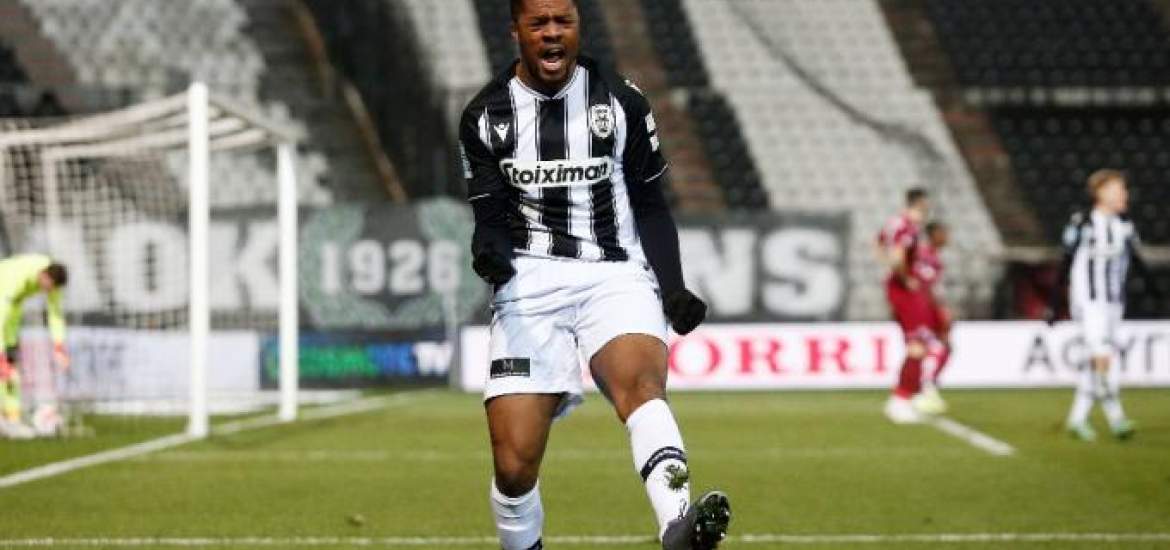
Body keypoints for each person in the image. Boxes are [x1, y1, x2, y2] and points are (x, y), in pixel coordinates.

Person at [459, 0, 731, 548]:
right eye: (539, 23)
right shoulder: (484, 116)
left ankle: (678, 523)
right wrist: (489, 252)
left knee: (642, 386)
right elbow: (489, 217)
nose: (552, 33)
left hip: (614, 275)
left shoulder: (621, 100)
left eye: (564, 21)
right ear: (516, 31)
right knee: (514, 467)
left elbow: (650, 204)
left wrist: (673, 287)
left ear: (578, 26)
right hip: (529, 285)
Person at [1054, 169, 1146, 442]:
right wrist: (1055, 301)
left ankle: (1077, 419)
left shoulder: (1125, 227)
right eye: (1118, 189)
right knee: (1103, 355)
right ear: (1100, 193)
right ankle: (1116, 417)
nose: (1124, 194)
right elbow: (1066, 261)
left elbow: (1136, 262)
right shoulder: (1083, 223)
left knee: (1096, 361)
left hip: (1114, 303)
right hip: (1089, 301)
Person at [878, 188, 936, 423]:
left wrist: (889, 270)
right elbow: (898, 255)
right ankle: (900, 402)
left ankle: (904, 399)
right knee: (917, 346)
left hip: (897, 288)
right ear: (918, 204)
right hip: (904, 290)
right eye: (924, 207)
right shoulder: (906, 227)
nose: (926, 212)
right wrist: (905, 279)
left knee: (918, 344)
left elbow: (878, 243)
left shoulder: (894, 223)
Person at [0, 254, 70, 427]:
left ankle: (12, 420)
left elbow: (55, 314)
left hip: (12, 314)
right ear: (43, 276)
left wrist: (59, 346)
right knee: (4, 367)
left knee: (11, 369)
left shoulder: (52, 280)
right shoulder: (15, 277)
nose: (48, 292)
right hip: (3, 309)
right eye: (48, 287)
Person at [911, 221, 953, 415]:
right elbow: (925, 287)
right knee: (936, 347)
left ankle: (927, 388)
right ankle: (925, 390)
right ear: (933, 235)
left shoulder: (932, 256)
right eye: (943, 233)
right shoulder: (926, 256)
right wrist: (940, 311)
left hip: (927, 309)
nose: (946, 237)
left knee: (941, 348)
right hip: (923, 310)